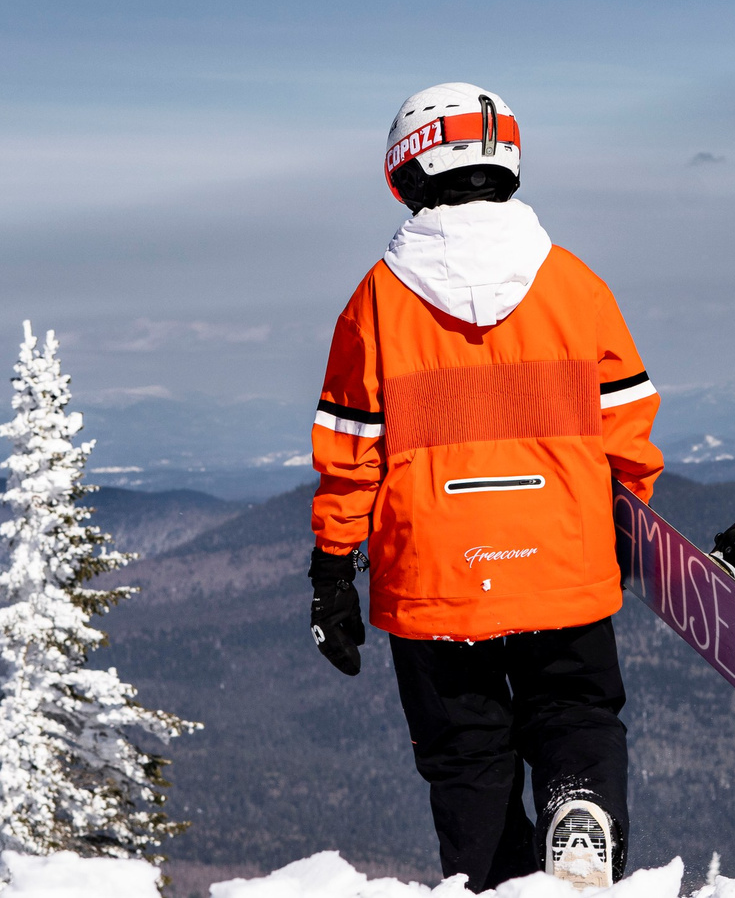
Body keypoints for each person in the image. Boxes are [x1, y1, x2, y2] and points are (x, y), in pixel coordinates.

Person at [307, 82, 664, 893]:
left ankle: (496, 877)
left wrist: (333, 569)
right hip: (563, 556)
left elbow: (349, 453)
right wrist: (627, 513)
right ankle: (581, 812)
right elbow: (627, 423)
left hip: (435, 573)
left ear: (409, 165)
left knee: (466, 753)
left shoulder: (375, 301)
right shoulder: (576, 285)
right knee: (574, 710)